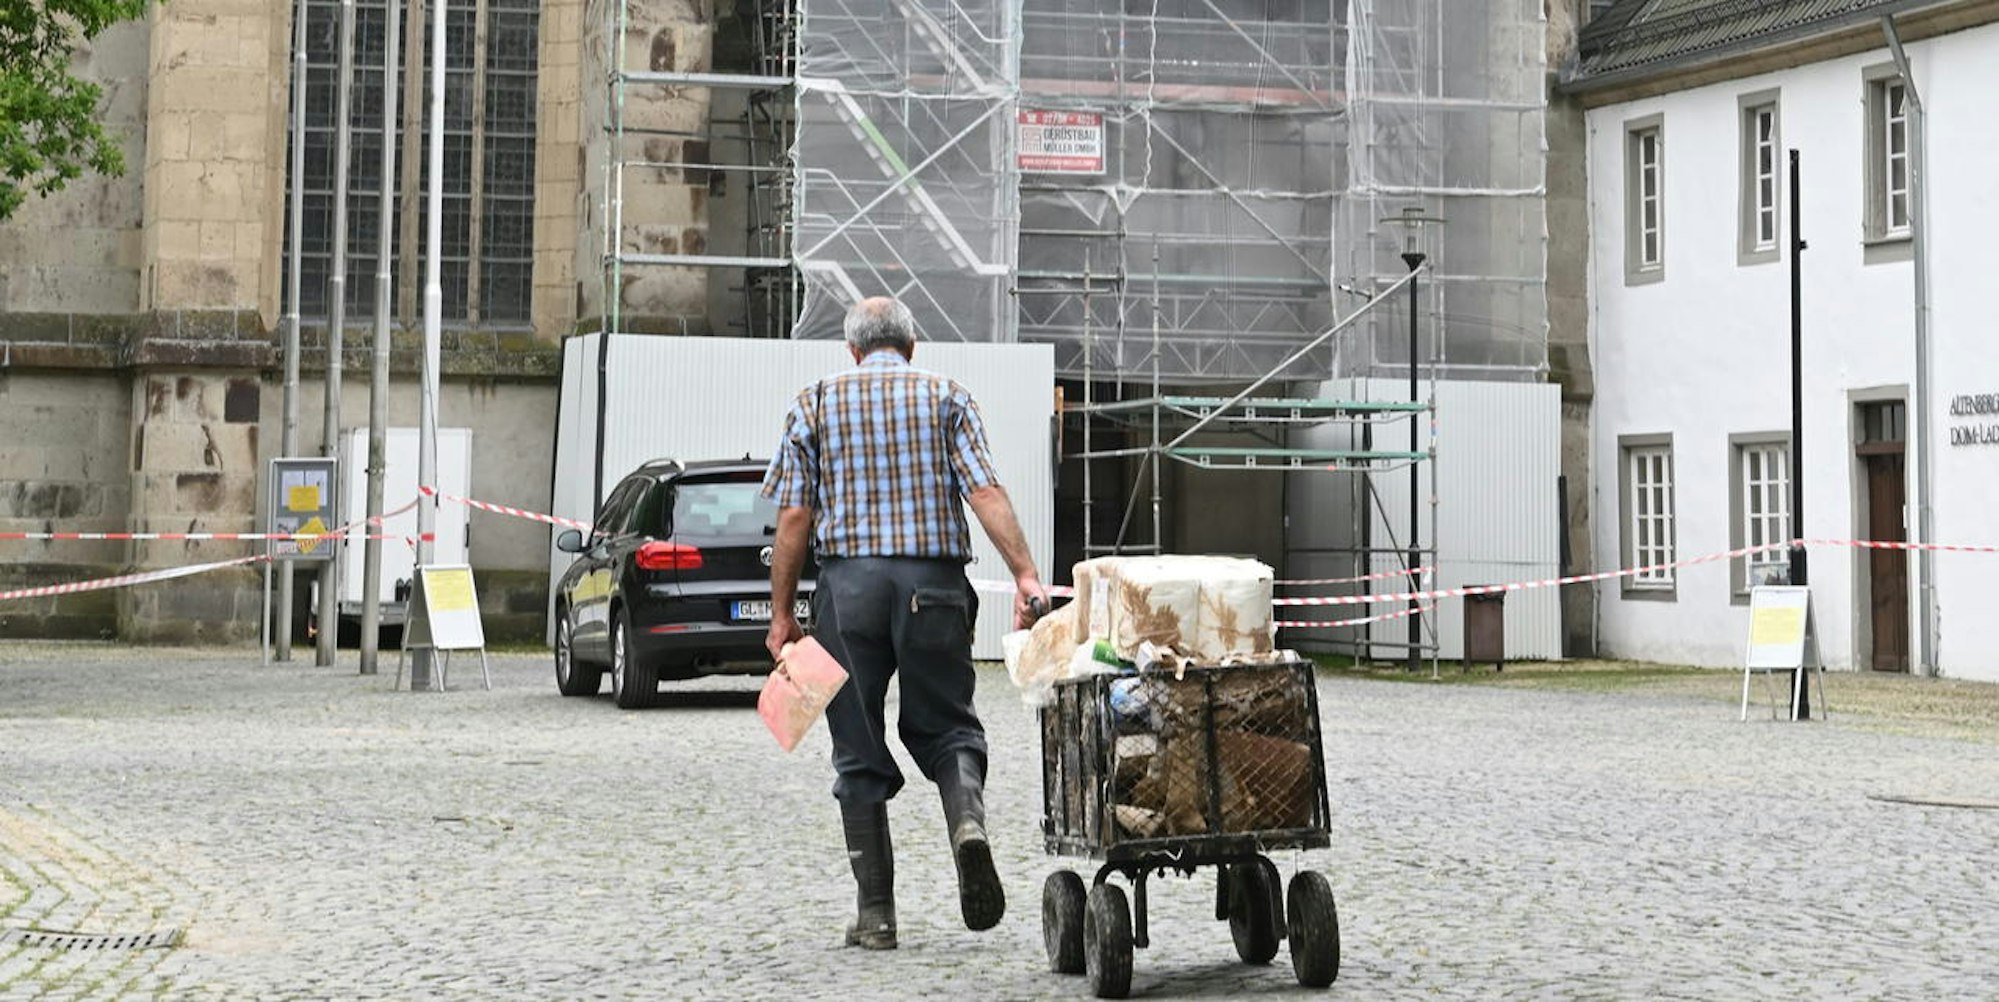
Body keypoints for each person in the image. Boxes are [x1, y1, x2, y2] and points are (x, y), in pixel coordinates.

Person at [760, 297, 1047, 950]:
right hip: (933, 588)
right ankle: (966, 825)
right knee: (949, 727)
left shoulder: (814, 404)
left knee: (856, 747)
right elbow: (984, 492)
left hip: (848, 595)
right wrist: (1026, 574)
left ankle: (876, 916)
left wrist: (781, 616)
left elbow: (795, 518)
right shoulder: (948, 397)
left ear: (852, 350)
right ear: (911, 347)